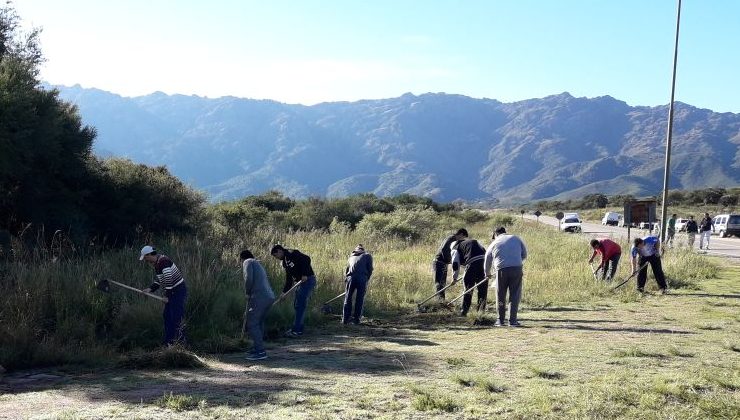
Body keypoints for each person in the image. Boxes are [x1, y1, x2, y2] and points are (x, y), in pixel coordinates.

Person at [140, 245, 188, 345]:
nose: (145, 260)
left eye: (145, 257)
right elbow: (160, 280)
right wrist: (150, 289)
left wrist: (167, 296)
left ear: (149, 255)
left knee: (176, 317)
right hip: (172, 292)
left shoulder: (163, 262)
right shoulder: (157, 263)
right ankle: (169, 343)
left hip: (178, 291)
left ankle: (182, 344)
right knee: (167, 316)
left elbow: (169, 280)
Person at [270, 244, 316, 337]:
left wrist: (304, 274)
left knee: (300, 305)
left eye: (276, 255)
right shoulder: (285, 263)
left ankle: (297, 331)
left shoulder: (292, 253)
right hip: (300, 283)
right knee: (297, 305)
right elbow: (289, 279)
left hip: (308, 280)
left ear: (279, 251)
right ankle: (298, 328)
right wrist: (283, 293)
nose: (276, 258)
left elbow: (307, 259)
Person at [484, 227, 527, 327]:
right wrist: (515, 260)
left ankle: (500, 321)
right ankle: (513, 321)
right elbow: (524, 254)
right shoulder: (516, 238)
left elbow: (487, 257)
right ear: (505, 232)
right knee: (515, 295)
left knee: (500, 295)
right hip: (517, 268)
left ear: (495, 234)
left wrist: (487, 273)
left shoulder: (495, 242)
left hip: (501, 270)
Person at [240, 249, 275, 361]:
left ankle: (260, 351)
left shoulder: (247, 262)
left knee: (252, 322)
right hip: (269, 296)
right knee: (259, 322)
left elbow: (248, 278)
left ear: (241, 258)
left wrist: (247, 292)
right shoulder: (257, 263)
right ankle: (257, 347)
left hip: (259, 296)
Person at [451, 237, 487, 316]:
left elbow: (455, 264)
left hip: (473, 264)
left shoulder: (455, 248)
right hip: (484, 263)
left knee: (468, 289)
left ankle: (464, 311)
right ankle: (481, 312)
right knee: (482, 290)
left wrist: (454, 278)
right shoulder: (472, 243)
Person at [431, 229, 468, 301]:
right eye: (463, 237)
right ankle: (439, 300)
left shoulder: (453, 239)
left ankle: (441, 300)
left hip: (443, 263)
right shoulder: (451, 238)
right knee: (439, 282)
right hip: (439, 262)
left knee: (442, 282)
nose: (463, 239)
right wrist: (449, 260)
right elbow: (444, 250)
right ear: (461, 234)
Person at [342, 244, 374, 325]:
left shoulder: (351, 256)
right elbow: (370, 269)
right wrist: (367, 279)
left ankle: (345, 319)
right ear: (363, 250)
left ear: (355, 250)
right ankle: (356, 319)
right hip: (362, 278)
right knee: (359, 299)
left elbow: (347, 270)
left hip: (350, 278)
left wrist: (347, 280)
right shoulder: (367, 255)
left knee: (347, 298)